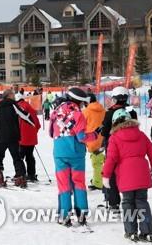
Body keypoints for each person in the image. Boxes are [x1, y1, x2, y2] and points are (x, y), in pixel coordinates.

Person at [102, 109, 152, 242]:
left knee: (127, 203)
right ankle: (147, 232)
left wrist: (106, 176)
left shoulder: (114, 138)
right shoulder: (141, 134)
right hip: (142, 175)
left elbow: (111, 159)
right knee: (142, 202)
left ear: (115, 123)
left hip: (126, 177)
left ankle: (131, 231)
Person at [50, 87, 95, 227]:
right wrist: (94, 135)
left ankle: (64, 216)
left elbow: (51, 133)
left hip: (60, 153)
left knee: (64, 185)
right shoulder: (78, 114)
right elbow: (81, 137)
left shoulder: (56, 112)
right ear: (79, 101)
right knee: (79, 183)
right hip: (76, 154)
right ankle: (81, 215)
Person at [101, 86, 138, 212]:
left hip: (113, 146)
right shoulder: (132, 112)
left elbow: (105, 132)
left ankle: (113, 202)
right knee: (128, 172)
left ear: (115, 99)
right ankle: (131, 200)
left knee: (111, 173)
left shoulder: (109, 113)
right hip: (130, 148)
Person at [0, 89, 34, 188]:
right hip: (12, 137)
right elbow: (24, 115)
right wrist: (32, 123)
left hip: (0, 137)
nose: (14, 96)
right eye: (13, 94)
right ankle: (20, 178)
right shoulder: (13, 104)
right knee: (17, 157)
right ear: (8, 95)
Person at [82, 93, 106, 190]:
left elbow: (81, 125)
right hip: (102, 138)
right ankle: (98, 178)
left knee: (96, 162)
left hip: (91, 138)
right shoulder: (103, 109)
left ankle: (98, 182)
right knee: (98, 159)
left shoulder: (86, 111)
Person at [16, 93, 41, 182]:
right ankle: (31, 174)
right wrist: (33, 133)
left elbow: (16, 124)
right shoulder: (30, 107)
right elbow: (38, 124)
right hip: (32, 138)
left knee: (19, 157)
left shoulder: (17, 108)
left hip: (22, 138)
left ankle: (21, 174)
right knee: (30, 156)